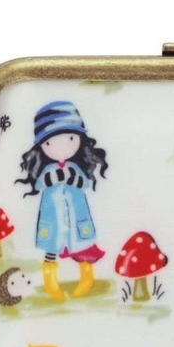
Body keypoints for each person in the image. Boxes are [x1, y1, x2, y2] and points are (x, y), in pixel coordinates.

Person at [16, 101, 108, 300]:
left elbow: (84, 183)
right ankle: (50, 283)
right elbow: (41, 183)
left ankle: (87, 279)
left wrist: (71, 178)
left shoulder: (75, 168)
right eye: (49, 142)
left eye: (71, 138)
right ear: (42, 145)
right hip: (53, 220)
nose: (61, 146)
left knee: (82, 248)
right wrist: (55, 177)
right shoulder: (47, 169)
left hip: (77, 219)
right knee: (51, 249)